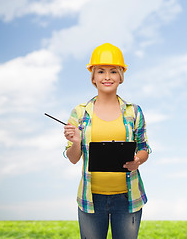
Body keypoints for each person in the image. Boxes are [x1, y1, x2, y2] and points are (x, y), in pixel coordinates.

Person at [63, 43, 151, 239]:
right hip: (91, 199)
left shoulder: (134, 112)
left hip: (127, 199)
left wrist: (137, 160)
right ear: (93, 76)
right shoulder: (79, 112)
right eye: (101, 71)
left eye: (113, 71)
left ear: (121, 76)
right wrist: (76, 142)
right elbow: (73, 158)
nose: (107, 77)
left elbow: (144, 147)